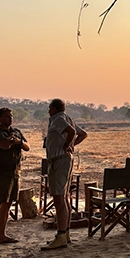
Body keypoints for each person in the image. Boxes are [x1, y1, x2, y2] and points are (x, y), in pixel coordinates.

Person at [41, 98, 87, 250]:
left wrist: (67, 145)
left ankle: (61, 235)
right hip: (64, 160)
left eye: (49, 108)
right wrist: (71, 144)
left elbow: (73, 132)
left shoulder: (59, 119)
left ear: (54, 108)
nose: (48, 111)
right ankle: (65, 234)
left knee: (59, 198)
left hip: (58, 161)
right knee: (64, 197)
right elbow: (82, 134)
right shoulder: (67, 119)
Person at [0, 107, 29, 249]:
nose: (10, 119)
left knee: (7, 204)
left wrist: (18, 141)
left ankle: (1, 235)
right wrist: (11, 140)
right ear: (0, 118)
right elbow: (4, 146)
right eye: (7, 116)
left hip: (14, 173)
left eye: (11, 116)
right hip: (0, 174)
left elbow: (27, 146)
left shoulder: (16, 132)